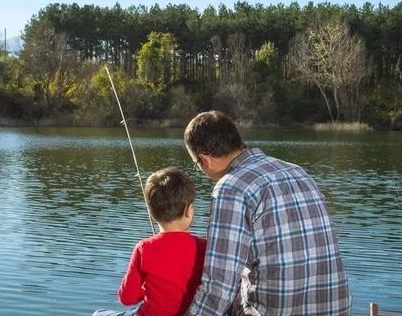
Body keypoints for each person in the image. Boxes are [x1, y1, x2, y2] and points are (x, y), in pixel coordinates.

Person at [184, 111, 351, 315]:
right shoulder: (298, 172)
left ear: (204, 160)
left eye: (196, 165)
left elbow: (218, 287)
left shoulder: (231, 187)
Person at [93, 167, 207, 316]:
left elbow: (126, 298)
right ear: (189, 211)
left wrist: (147, 288)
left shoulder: (144, 248)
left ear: (152, 214)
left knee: (99, 314)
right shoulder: (205, 247)